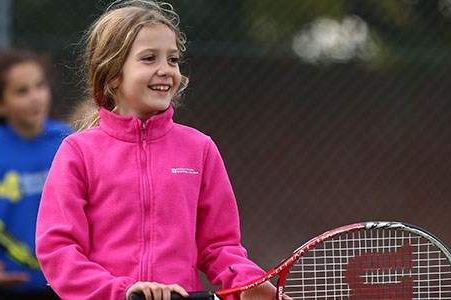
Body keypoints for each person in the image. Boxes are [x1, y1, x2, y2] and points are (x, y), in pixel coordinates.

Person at [35, 1, 279, 299]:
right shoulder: (77, 151)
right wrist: (122, 291)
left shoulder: (200, 149)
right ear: (112, 75)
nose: (166, 70)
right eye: (149, 58)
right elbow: (57, 250)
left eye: (173, 60)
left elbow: (220, 247)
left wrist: (247, 282)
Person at [0, 48, 72, 300]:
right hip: (1, 289)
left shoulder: (69, 143)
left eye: (40, 86)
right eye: (22, 91)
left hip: (63, 286)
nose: (35, 97)